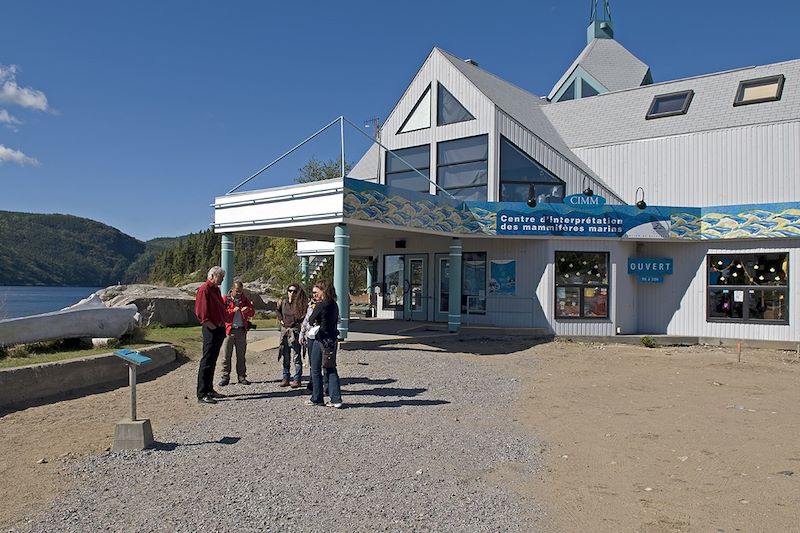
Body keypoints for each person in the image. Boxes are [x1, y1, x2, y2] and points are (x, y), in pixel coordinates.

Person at [305, 280, 343, 408]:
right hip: (332, 339)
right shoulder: (334, 305)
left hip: (320, 340)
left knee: (315, 370)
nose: (314, 295)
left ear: (323, 291)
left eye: (316, 292)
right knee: (330, 368)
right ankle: (336, 398)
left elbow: (310, 320)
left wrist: (315, 313)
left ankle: (317, 398)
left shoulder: (321, 305)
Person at [195, 266, 226, 404]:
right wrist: (213, 327)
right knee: (207, 360)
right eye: (220, 277)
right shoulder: (204, 289)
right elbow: (201, 313)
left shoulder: (216, 290)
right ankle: (202, 393)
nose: (222, 279)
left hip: (218, 328)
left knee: (213, 361)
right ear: (212, 276)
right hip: (210, 329)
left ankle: (209, 389)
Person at [218, 280, 256, 387]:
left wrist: (247, 310)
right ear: (232, 290)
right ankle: (225, 376)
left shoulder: (244, 299)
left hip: (241, 330)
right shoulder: (226, 299)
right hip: (229, 331)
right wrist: (232, 311)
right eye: (237, 291)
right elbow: (221, 313)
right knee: (226, 355)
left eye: (241, 291)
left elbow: (253, 311)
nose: (239, 294)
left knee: (241, 355)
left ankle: (242, 376)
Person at [276, 283, 307, 388]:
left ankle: (297, 379)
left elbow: (304, 316)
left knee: (296, 357)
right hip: (285, 331)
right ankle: (285, 377)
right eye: (290, 291)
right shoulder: (283, 303)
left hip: (295, 332)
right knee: (285, 355)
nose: (292, 293)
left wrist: (298, 326)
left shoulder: (300, 304)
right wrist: (281, 320)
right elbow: (278, 311)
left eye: (294, 291)